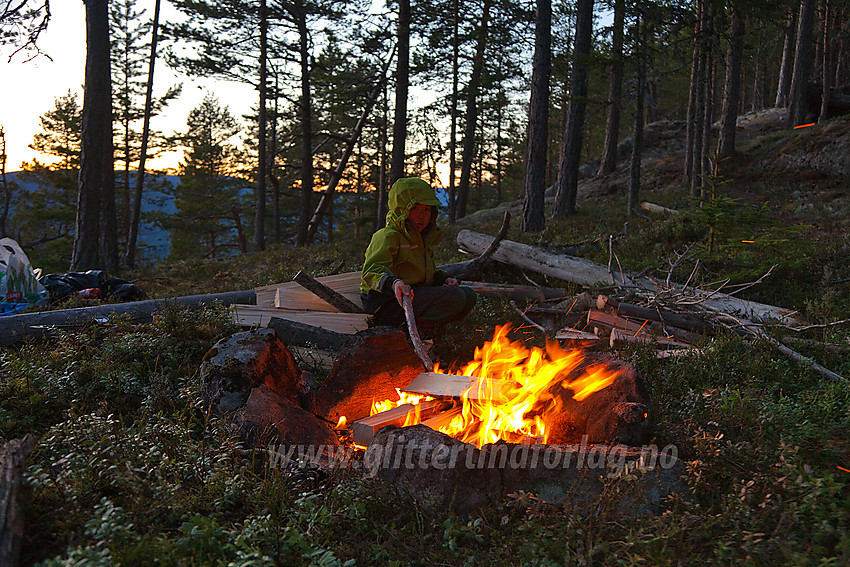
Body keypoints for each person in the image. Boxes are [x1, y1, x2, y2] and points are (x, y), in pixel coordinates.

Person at [360, 177, 477, 330]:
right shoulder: (388, 236)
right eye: (415, 208)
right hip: (386, 303)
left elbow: (425, 272)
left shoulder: (421, 238)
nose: (422, 216)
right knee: (456, 297)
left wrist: (444, 278)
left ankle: (420, 328)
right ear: (401, 209)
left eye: (427, 209)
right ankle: (409, 330)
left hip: (413, 294)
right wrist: (394, 283)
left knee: (468, 295)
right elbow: (370, 273)